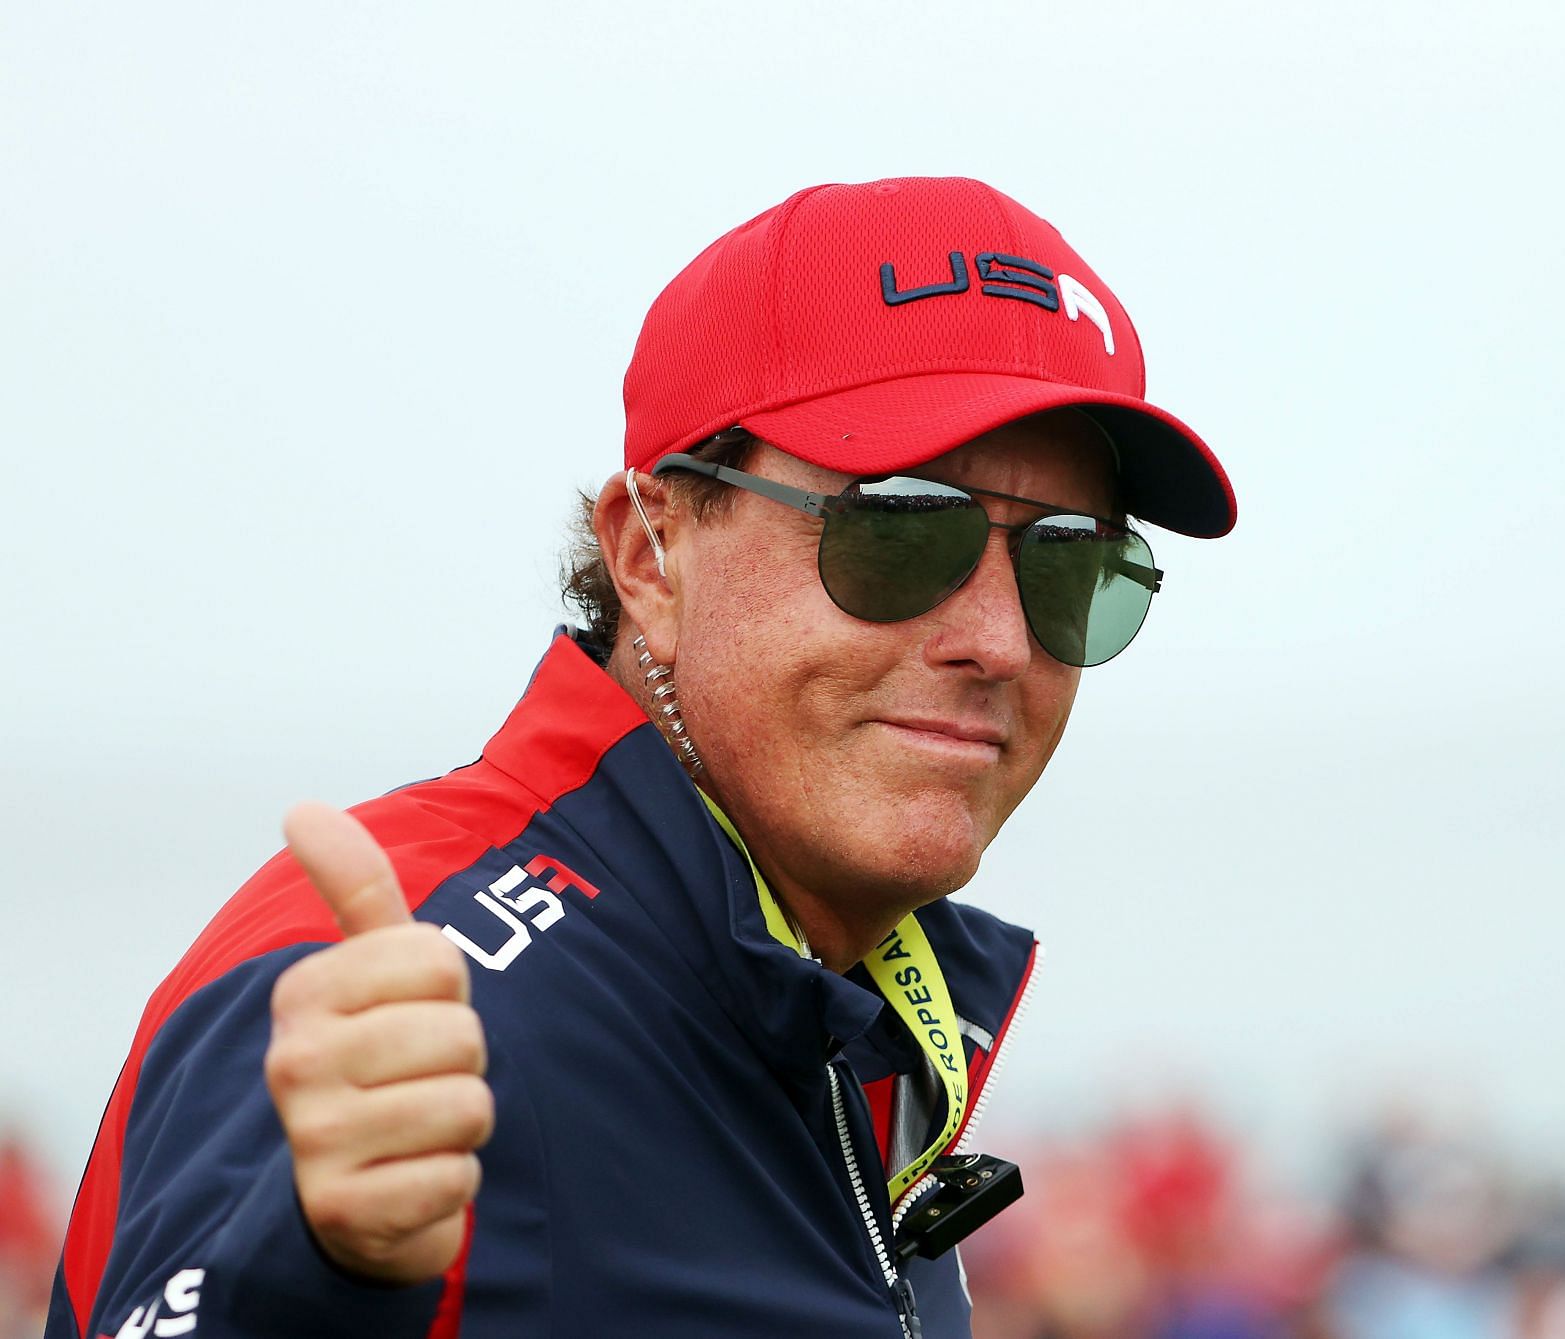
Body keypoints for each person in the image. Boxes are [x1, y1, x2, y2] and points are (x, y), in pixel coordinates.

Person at [46, 176, 1237, 1339]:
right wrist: (323, 1278)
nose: (998, 640)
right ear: (650, 552)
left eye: (1070, 562)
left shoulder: (839, 999)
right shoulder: (401, 981)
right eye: (901, 529)